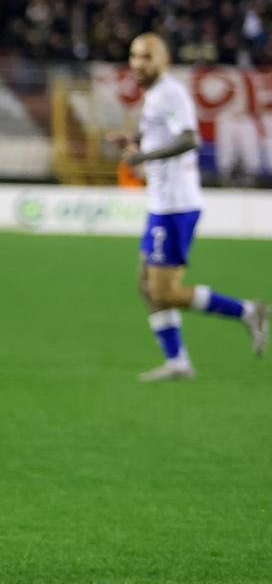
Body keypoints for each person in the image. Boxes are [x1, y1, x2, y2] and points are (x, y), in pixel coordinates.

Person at [107, 33, 267, 381]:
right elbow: (165, 139)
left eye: (146, 57)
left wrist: (143, 155)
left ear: (163, 61)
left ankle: (247, 311)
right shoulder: (154, 97)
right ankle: (178, 361)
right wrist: (135, 144)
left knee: (163, 290)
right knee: (145, 284)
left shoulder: (170, 92)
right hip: (162, 204)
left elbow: (189, 138)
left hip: (175, 207)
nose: (137, 63)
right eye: (134, 56)